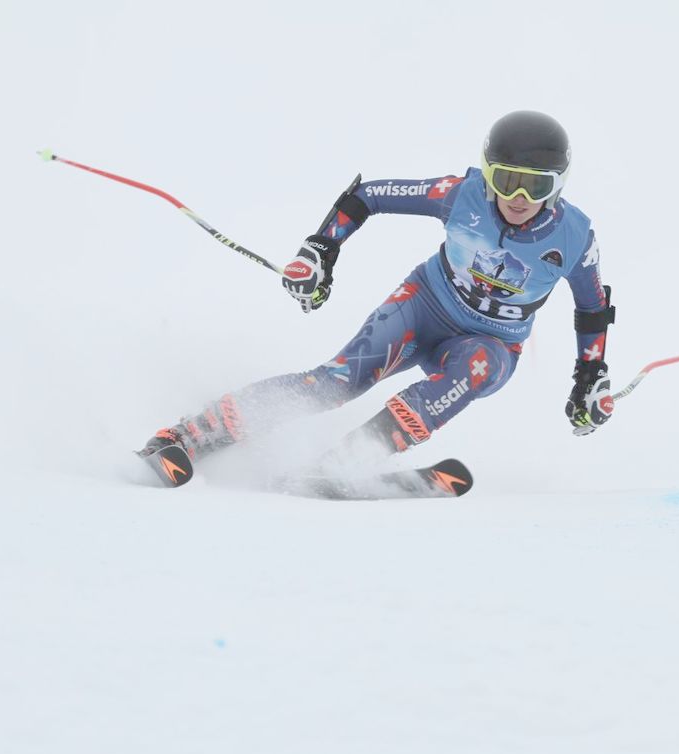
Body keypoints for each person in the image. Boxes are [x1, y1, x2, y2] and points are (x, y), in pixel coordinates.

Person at [140, 110, 616, 479]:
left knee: (475, 368)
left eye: (536, 186)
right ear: (488, 174)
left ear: (558, 186)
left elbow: (592, 308)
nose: (518, 198)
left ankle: (347, 461)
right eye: (506, 180)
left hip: (491, 342)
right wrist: (320, 251)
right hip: (423, 307)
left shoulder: (575, 237)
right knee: (334, 383)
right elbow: (367, 195)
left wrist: (588, 378)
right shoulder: (460, 195)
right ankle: (189, 434)